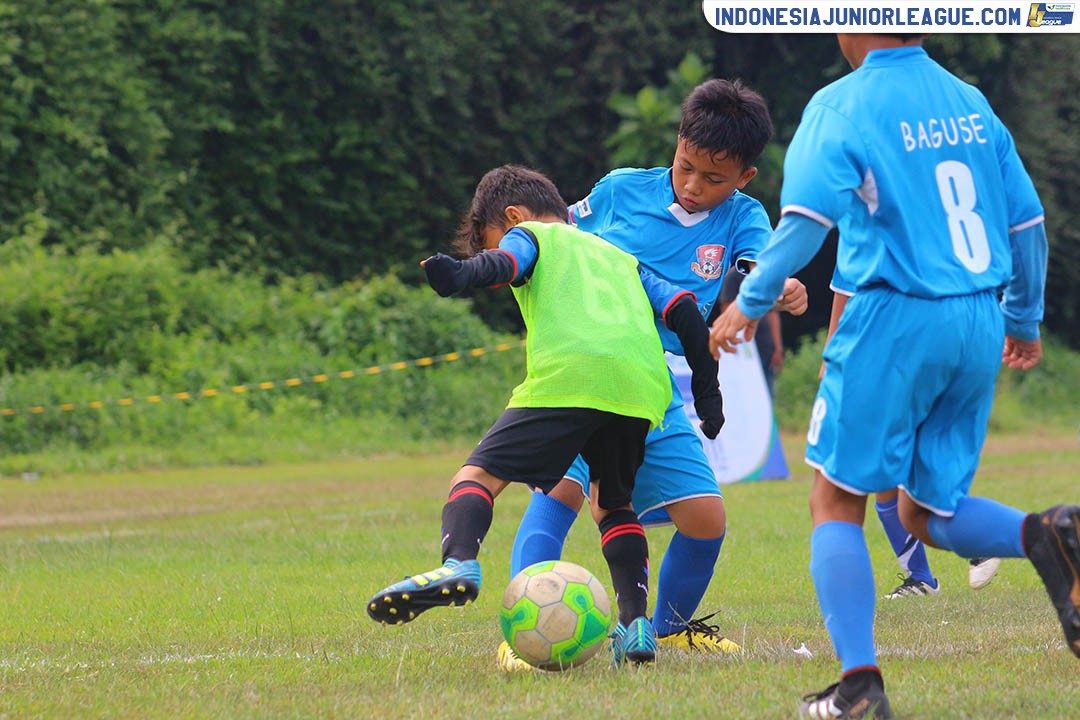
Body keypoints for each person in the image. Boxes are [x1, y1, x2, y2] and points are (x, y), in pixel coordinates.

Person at [710, 34, 1077, 719]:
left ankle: (858, 688)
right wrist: (1023, 317)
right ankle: (1047, 532)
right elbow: (1027, 220)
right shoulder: (968, 100)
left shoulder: (843, 104)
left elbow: (804, 224)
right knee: (925, 512)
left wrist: (749, 302)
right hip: (977, 318)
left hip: (896, 318)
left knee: (835, 500)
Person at [498, 79, 808, 671]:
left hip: (653, 389)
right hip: (585, 375)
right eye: (686, 166)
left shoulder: (744, 218)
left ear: (744, 178)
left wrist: (781, 288)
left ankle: (667, 630)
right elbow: (554, 243)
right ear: (678, 142)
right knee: (559, 491)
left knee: (705, 520)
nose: (694, 186)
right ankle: (523, 635)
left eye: (714, 179)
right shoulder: (619, 192)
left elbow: (758, 271)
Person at [366, 165, 725, 667]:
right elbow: (685, 310)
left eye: (496, 235)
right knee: (611, 504)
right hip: (639, 389)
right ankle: (635, 624)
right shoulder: (620, 256)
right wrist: (709, 395)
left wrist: (461, 274)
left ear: (513, 216)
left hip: (571, 376)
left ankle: (459, 563)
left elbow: (507, 261)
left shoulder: (529, 234)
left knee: (478, 476)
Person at [827, 273, 1001, 599]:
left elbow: (846, 287)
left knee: (898, 468)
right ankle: (925, 574)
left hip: (900, 352)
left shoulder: (885, 228)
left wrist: (833, 348)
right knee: (886, 474)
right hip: (900, 350)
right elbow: (845, 285)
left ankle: (983, 540)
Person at [719, 266, 783, 396]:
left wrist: (778, 346)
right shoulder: (733, 276)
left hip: (766, 347)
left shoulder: (765, 272)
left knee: (767, 393)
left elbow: (773, 313)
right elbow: (727, 310)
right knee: (746, 393)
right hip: (743, 347)